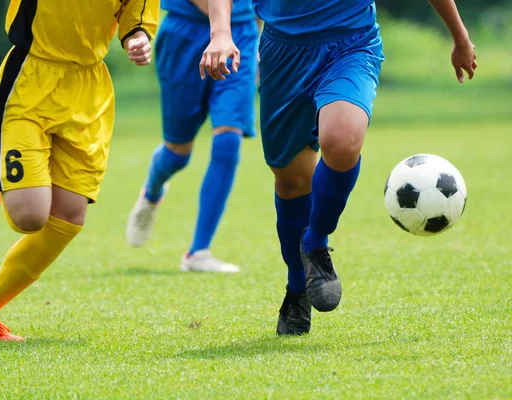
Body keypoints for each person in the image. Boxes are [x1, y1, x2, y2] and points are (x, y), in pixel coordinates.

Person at [200, 0, 477, 335]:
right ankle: (297, 287)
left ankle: (315, 242)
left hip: (351, 44)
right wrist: (220, 33)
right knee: (291, 182)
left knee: (342, 142)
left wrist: (460, 36)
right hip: (283, 52)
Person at [0, 0, 159, 340]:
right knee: (30, 217)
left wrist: (137, 40)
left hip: (89, 90)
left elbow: (133, 22)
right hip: (31, 77)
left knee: (69, 218)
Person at [125, 0, 259, 273]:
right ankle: (151, 192)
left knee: (228, 140)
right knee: (177, 154)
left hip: (241, 34)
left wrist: (258, 38)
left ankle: (198, 251)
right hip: (184, 35)